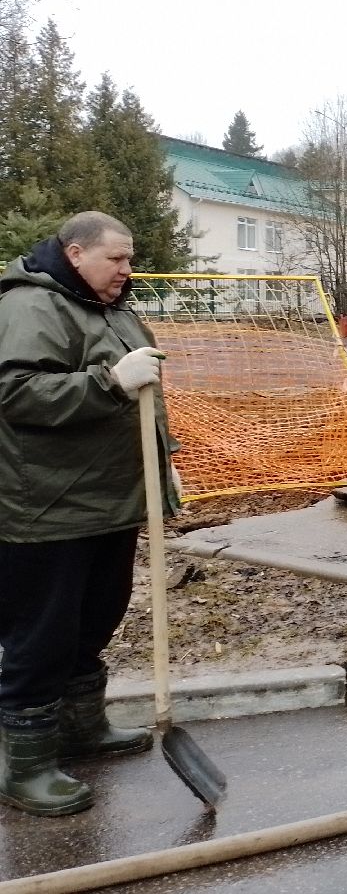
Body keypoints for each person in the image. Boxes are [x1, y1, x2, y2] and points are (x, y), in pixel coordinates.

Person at [0, 211, 180, 817]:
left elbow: (144, 396)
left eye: (130, 258)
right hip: (47, 507)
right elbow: (15, 393)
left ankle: (80, 728)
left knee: (95, 619)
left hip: (110, 500)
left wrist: (165, 457)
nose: (128, 269)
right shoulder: (30, 307)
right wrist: (109, 382)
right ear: (75, 254)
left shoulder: (111, 308)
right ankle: (24, 766)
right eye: (116, 259)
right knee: (41, 636)